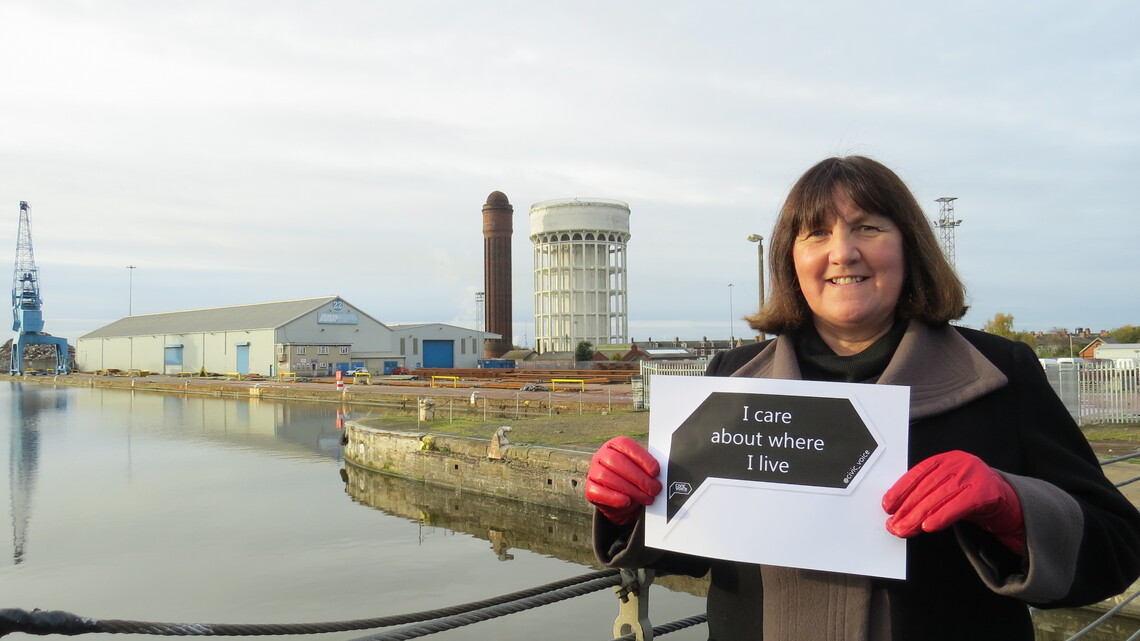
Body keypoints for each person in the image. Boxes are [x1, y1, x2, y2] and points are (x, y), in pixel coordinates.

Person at [585, 156, 1140, 640]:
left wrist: (1011, 508)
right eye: (816, 235)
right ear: (790, 259)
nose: (842, 253)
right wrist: (629, 505)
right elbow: (693, 546)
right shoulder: (731, 379)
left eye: (868, 227)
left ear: (910, 246)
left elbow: (1116, 548)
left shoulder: (1001, 373)